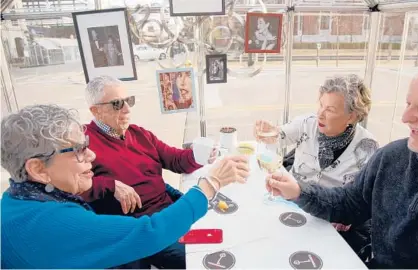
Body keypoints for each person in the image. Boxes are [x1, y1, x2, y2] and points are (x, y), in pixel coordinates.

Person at [265, 56, 418, 269]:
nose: (405, 117)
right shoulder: (390, 157)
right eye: (408, 104)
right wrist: (298, 191)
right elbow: (350, 204)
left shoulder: (368, 146)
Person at [0, 104, 250, 269]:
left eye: (86, 144)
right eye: (77, 150)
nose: (91, 156)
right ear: (38, 169)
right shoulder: (48, 222)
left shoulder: (17, 201)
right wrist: (210, 185)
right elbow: (149, 232)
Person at [82, 75, 207, 268]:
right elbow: (70, 185)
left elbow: (175, 160)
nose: (127, 109)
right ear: (95, 111)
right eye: (117, 104)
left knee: (224, 234)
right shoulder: (84, 143)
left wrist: (202, 154)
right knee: (203, 258)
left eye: (128, 101)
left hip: (169, 213)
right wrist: (110, 184)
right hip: (142, 230)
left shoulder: (139, 134)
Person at [254, 74, 378, 258]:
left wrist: (348, 218)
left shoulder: (368, 147)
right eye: (321, 104)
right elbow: (277, 136)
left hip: (330, 220)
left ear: (352, 116)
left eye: (330, 109)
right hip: (291, 204)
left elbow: (359, 201)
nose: (320, 113)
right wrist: (266, 130)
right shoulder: (306, 124)